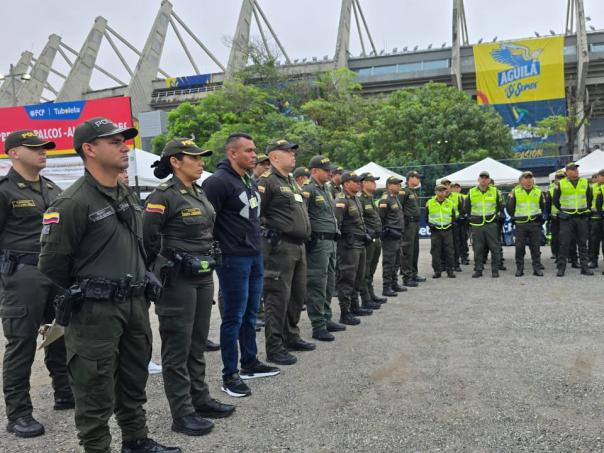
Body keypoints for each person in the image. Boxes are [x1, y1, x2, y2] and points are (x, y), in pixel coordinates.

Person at [38, 117, 179, 453]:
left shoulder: (123, 192)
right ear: (89, 149)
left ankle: (136, 440)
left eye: (123, 141)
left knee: (133, 378)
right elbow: (52, 265)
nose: (124, 147)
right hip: (95, 311)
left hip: (133, 304)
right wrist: (92, 290)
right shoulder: (72, 202)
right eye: (114, 142)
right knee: (94, 388)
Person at [143, 138, 235, 436]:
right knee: (177, 347)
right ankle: (182, 413)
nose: (200, 162)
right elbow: (148, 239)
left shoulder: (198, 191)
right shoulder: (163, 195)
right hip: (177, 279)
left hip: (202, 274)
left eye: (200, 157)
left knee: (196, 343)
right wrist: (162, 267)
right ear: (175, 162)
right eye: (193, 157)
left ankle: (200, 399)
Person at [0, 130, 73, 438]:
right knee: (22, 343)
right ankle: (18, 414)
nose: (43, 151)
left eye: (44, 147)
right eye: (35, 148)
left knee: (60, 335)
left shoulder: (52, 188)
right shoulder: (4, 191)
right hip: (22, 275)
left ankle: (65, 393)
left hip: (55, 273)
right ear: (14, 153)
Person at [202, 133, 280, 398]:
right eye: (248, 150)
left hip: (254, 255)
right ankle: (230, 375)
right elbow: (206, 222)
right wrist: (217, 251)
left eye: (254, 150)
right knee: (233, 317)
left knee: (250, 313)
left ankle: (250, 362)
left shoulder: (248, 180)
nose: (254, 155)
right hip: (232, 258)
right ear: (232, 153)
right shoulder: (217, 182)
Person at [257, 140, 314, 366]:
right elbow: (255, 214)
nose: (292, 155)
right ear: (274, 157)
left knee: (297, 296)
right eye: (287, 152)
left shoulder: (291, 181)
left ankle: (291, 336)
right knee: (277, 297)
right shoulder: (267, 181)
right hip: (279, 247)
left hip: (298, 246)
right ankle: (274, 347)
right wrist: (267, 235)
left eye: (293, 151)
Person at [116, 169, 165, 375]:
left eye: (127, 171)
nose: (126, 174)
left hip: (137, 269)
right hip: (116, 272)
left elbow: (144, 236)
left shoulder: (131, 197)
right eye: (121, 171)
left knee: (140, 323)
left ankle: (144, 358)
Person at [302, 156, 345, 342]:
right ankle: (318, 325)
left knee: (329, 282)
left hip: (330, 241)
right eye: (326, 170)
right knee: (317, 283)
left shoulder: (326, 189)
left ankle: (326, 318)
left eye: (330, 170)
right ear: (314, 171)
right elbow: (303, 216)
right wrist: (308, 238)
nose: (330, 173)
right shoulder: (308, 189)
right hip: (318, 243)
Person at [335, 171, 372, 326]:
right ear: (346, 183)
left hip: (359, 243)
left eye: (359, 181)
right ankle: (345, 313)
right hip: (348, 245)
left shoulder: (355, 199)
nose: (359, 184)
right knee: (347, 279)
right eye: (355, 181)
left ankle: (355, 307)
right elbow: (337, 225)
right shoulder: (341, 200)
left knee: (358, 277)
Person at [552, 162, 594, 276]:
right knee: (564, 243)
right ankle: (561, 268)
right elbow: (555, 200)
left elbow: (589, 198)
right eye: (572, 169)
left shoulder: (584, 182)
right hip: (567, 218)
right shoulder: (560, 183)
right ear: (567, 172)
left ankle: (584, 268)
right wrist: (564, 211)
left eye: (576, 169)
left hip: (581, 217)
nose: (575, 171)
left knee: (582, 243)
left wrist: (584, 208)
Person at [507, 171, 546, 277]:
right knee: (519, 247)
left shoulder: (538, 191)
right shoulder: (515, 192)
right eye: (526, 178)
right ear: (521, 180)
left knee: (535, 247)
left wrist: (540, 217)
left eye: (530, 178)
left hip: (534, 223)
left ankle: (537, 268)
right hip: (521, 224)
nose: (529, 180)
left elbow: (542, 206)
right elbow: (509, 207)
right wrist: (514, 217)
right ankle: (520, 269)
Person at [467, 170, 503, 278]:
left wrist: (495, 217)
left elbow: (499, 206)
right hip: (477, 224)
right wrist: (472, 219)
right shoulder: (471, 192)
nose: (484, 180)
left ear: (489, 180)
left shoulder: (495, 191)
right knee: (477, 248)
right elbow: (467, 207)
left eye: (486, 178)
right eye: (482, 177)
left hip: (490, 223)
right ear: (478, 179)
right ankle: (478, 270)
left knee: (494, 248)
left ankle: (495, 270)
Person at [358, 172, 387, 307]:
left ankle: (371, 294)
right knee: (365, 270)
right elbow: (359, 220)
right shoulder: (360, 199)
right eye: (372, 181)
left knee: (371, 270)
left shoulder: (370, 199)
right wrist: (367, 233)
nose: (374, 183)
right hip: (368, 240)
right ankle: (365, 299)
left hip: (376, 239)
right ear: (364, 183)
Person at [379, 176, 406, 297]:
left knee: (396, 260)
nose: (399, 186)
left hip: (398, 234)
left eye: (399, 184)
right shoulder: (385, 200)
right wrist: (386, 231)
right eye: (396, 184)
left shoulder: (395, 198)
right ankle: (386, 286)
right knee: (389, 261)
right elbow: (381, 218)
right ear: (389, 186)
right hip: (390, 235)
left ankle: (394, 283)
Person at [399, 170, 425, 287]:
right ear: (410, 178)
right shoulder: (403, 192)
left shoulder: (412, 191)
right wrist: (403, 225)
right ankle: (407, 276)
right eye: (417, 177)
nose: (419, 179)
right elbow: (399, 209)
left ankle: (414, 274)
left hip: (414, 224)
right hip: (408, 224)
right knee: (407, 251)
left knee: (415, 250)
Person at [425, 185, 456, 278]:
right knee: (435, 252)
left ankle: (450, 270)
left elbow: (453, 216)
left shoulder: (450, 203)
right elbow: (426, 217)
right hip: (435, 231)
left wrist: (451, 224)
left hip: (447, 230)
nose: (442, 193)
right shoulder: (429, 202)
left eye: (444, 191)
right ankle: (437, 271)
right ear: (435, 192)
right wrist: (431, 225)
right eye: (440, 191)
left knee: (449, 251)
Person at [548, 170, 566, 262]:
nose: (560, 179)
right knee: (555, 237)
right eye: (558, 177)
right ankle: (556, 254)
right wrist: (547, 215)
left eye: (562, 177)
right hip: (555, 216)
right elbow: (548, 204)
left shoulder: (568, 187)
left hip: (567, 216)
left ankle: (569, 255)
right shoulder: (551, 189)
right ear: (555, 179)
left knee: (567, 237)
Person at [450, 182, 470, 264]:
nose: (456, 189)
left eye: (457, 187)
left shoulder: (463, 196)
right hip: (452, 222)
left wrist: (464, 216)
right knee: (455, 241)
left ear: (460, 188)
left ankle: (464, 257)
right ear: (451, 188)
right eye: (454, 187)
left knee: (463, 240)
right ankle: (455, 258)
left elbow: (467, 207)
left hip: (462, 221)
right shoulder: (447, 196)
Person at [588, 169, 604, 268]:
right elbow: (588, 201)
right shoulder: (592, 187)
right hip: (595, 217)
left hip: (600, 216)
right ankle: (593, 260)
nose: (598, 178)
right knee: (594, 241)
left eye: (599, 176)